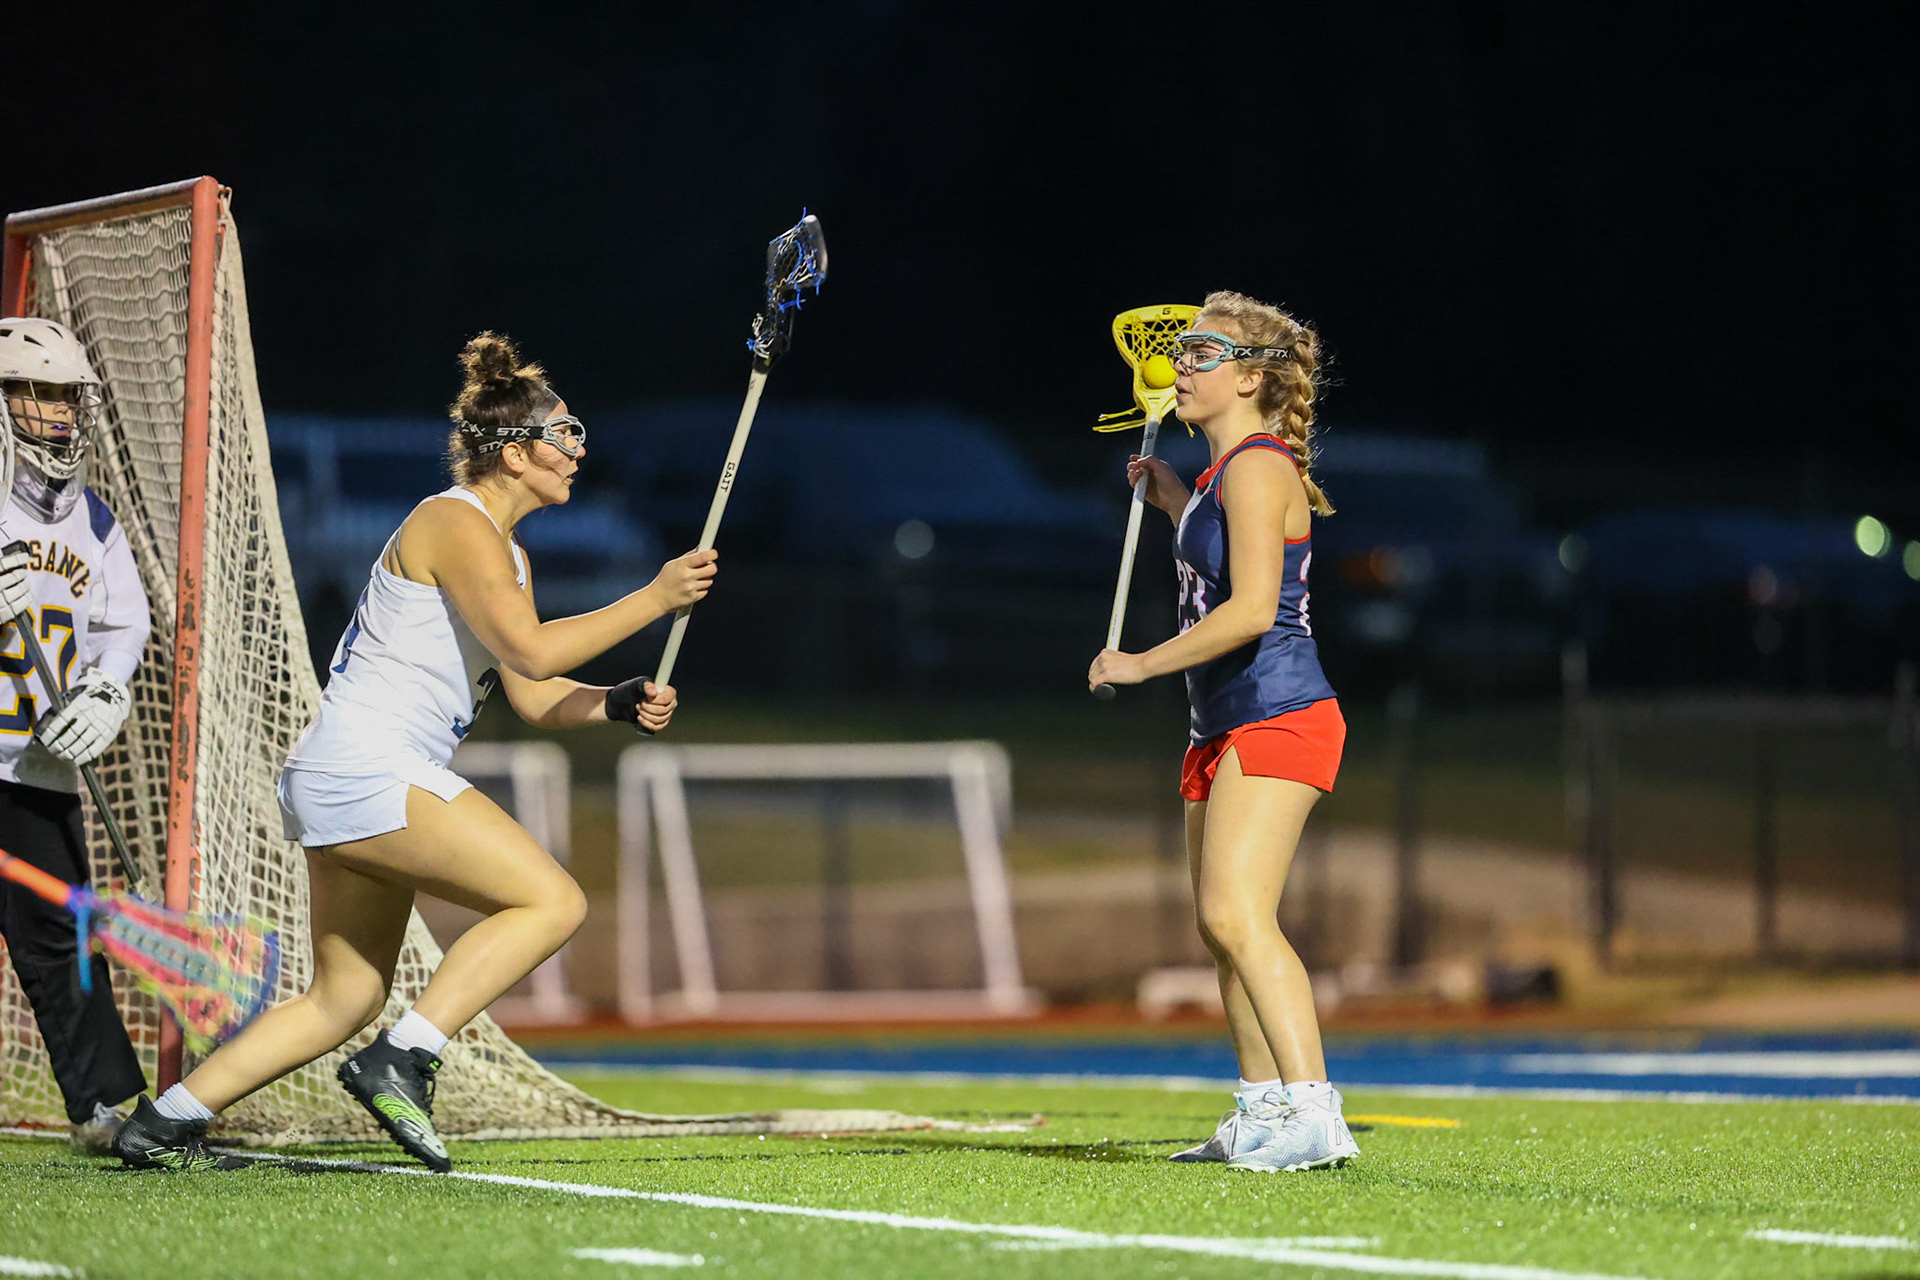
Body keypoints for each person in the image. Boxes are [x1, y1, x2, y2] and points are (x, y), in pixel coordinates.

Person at [115, 332, 716, 1173]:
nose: (579, 451)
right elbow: (536, 650)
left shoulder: (503, 550)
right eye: (565, 433)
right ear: (513, 455)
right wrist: (654, 596)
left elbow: (536, 694)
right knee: (551, 903)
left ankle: (163, 1122)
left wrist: (615, 702)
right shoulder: (453, 521)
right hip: (370, 764)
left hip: (345, 772)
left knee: (346, 996)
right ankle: (406, 1057)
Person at [1087, 291, 1356, 1173]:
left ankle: (1315, 1113)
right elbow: (1223, 567)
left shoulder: (1256, 465)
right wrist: (1173, 503)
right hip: (1226, 721)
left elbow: (1247, 612)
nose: (1180, 366)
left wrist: (1138, 662)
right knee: (1218, 925)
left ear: (1251, 378)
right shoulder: (1219, 475)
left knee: (1240, 914)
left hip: (1281, 712)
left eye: (1202, 351)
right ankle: (1262, 1110)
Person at [0, 317, 152, 1155]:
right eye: (41, 393)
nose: (59, 413)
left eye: (67, 397)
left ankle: (102, 1109)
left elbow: (121, 624)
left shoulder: (92, 520)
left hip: (36, 762)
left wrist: (104, 685)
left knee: (62, 939)